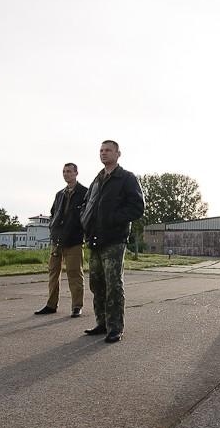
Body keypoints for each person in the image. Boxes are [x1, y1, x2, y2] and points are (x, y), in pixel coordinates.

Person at [80, 140, 145, 343]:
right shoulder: (97, 180)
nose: (103, 153)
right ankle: (102, 323)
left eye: (108, 150)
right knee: (97, 283)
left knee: (113, 284)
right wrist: (86, 221)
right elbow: (86, 204)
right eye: (101, 150)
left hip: (114, 239)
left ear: (118, 154)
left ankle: (115, 327)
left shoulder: (126, 178)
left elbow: (137, 207)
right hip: (95, 239)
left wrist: (112, 218)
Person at [35, 163, 88, 318]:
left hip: (74, 240)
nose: (66, 174)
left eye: (69, 171)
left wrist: (82, 232)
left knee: (74, 273)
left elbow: (88, 215)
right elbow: (53, 213)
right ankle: (51, 305)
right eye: (64, 172)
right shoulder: (59, 194)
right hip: (57, 239)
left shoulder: (84, 192)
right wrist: (53, 227)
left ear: (76, 173)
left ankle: (77, 306)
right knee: (53, 273)